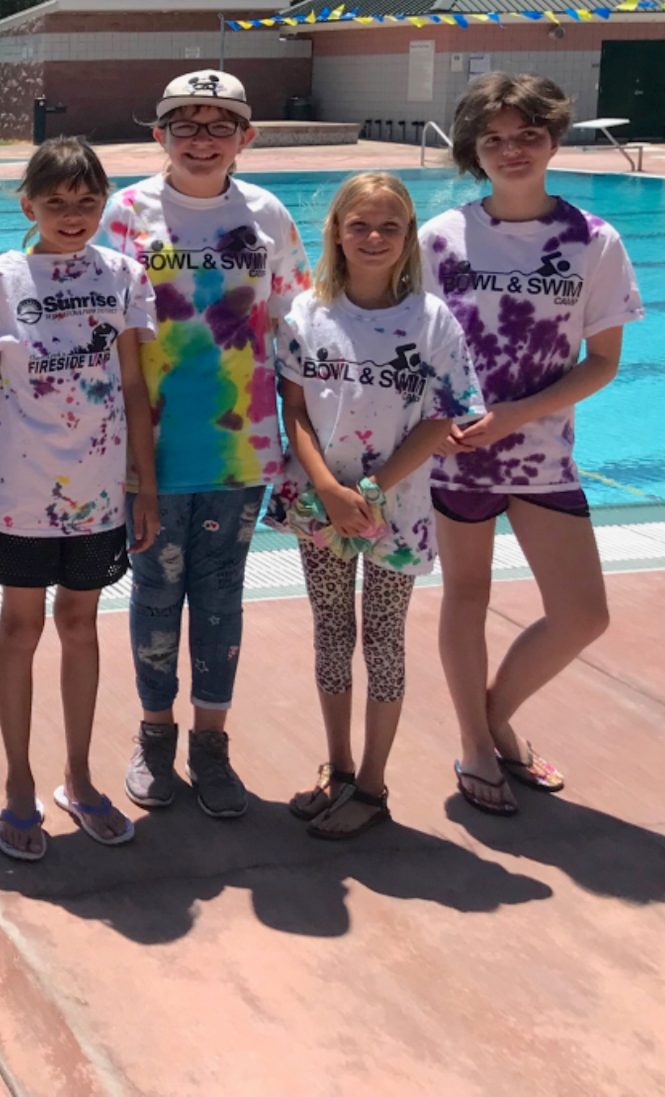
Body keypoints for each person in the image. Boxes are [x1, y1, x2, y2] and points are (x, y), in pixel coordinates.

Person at [424, 73, 643, 816]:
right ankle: (479, 744)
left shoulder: (593, 241)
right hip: (457, 453)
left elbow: (605, 361)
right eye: (493, 139)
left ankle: (491, 716)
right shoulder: (442, 239)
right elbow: (412, 345)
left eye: (527, 136)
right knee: (467, 596)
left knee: (584, 614)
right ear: (472, 150)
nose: (511, 150)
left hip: (541, 453)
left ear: (553, 139)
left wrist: (516, 416)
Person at [101, 69, 311, 820]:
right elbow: (102, 325)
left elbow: (294, 328)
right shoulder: (126, 213)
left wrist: (302, 442)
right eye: (184, 124)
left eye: (218, 124)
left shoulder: (267, 215)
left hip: (240, 447)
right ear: (159, 135)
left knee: (221, 595)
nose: (201, 138)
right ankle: (155, 734)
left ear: (245, 138)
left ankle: (210, 743)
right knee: (155, 592)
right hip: (149, 445)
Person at [0, 137, 158, 861]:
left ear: (105, 202)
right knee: (19, 628)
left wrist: (146, 486)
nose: (74, 216)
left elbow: (133, 387)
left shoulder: (124, 275)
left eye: (88, 201)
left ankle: (78, 776)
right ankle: (17, 783)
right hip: (17, 489)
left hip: (98, 492)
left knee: (80, 625)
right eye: (57, 202)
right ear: (28, 204)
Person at [267, 173, 480, 839]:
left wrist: (372, 489)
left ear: (408, 237)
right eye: (359, 224)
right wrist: (330, 491)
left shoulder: (431, 319)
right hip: (320, 505)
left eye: (390, 227)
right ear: (335, 231)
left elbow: (443, 418)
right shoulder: (306, 313)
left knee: (383, 641)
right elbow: (293, 409)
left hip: (397, 508)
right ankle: (338, 768)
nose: (374, 237)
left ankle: (373, 786)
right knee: (331, 633)